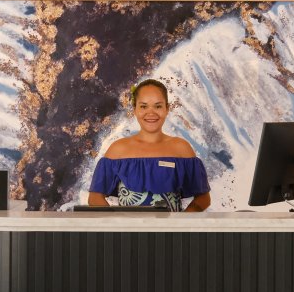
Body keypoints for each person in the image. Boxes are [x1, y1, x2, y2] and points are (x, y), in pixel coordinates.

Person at [86, 78, 212, 211]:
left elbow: (203, 198)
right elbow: (95, 198)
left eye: (158, 106)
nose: (151, 113)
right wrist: (117, 221)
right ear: (134, 109)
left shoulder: (181, 148)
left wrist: (181, 220)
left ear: (167, 109)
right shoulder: (117, 150)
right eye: (143, 106)